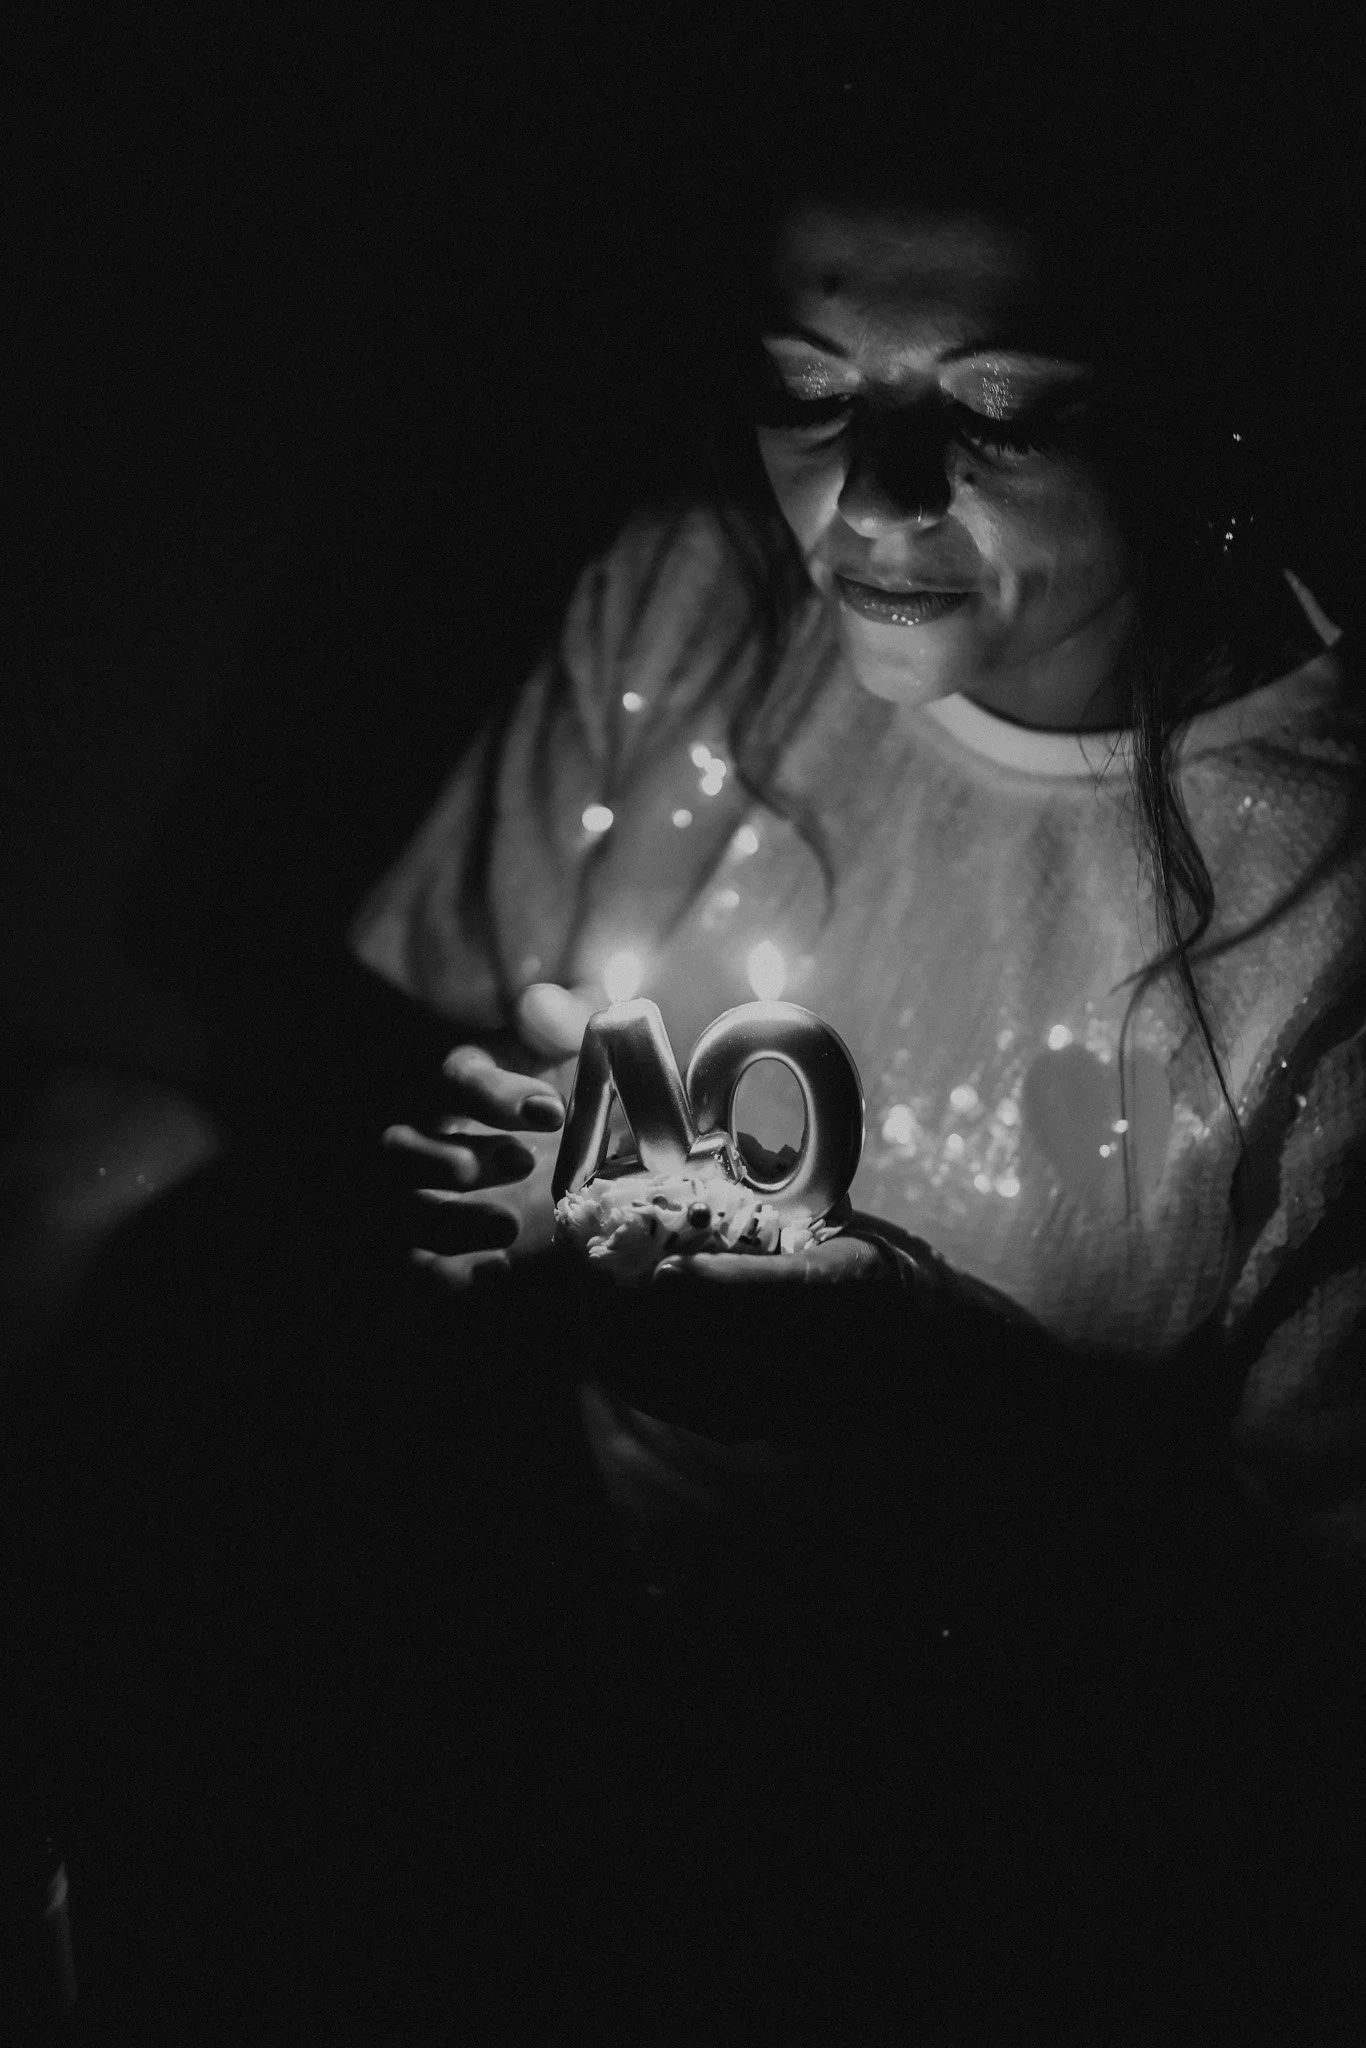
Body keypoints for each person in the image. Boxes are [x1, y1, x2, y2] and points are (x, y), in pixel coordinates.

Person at [343, 43, 1366, 2039]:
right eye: (807, 388)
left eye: (996, 407)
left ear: (1194, 397)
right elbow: (430, 1064)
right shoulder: (688, 606)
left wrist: (929, 1390)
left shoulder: (1313, 885)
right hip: (582, 1684)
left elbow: (1294, 1656)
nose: (869, 492)